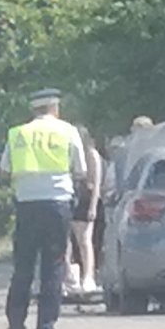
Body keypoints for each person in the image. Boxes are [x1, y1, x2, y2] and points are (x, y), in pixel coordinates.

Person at [0, 88, 88, 329]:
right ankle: (46, 326)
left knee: (23, 266)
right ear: (55, 108)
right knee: (54, 265)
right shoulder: (67, 131)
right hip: (57, 203)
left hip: (27, 204)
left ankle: (16, 327)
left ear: (33, 109)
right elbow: (80, 170)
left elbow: (5, 170)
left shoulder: (18, 133)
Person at [67, 124, 103, 296]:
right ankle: (70, 276)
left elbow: (96, 184)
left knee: (84, 240)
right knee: (67, 241)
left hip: (86, 198)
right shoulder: (71, 154)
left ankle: (89, 276)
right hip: (71, 196)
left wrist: (93, 206)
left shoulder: (92, 155)